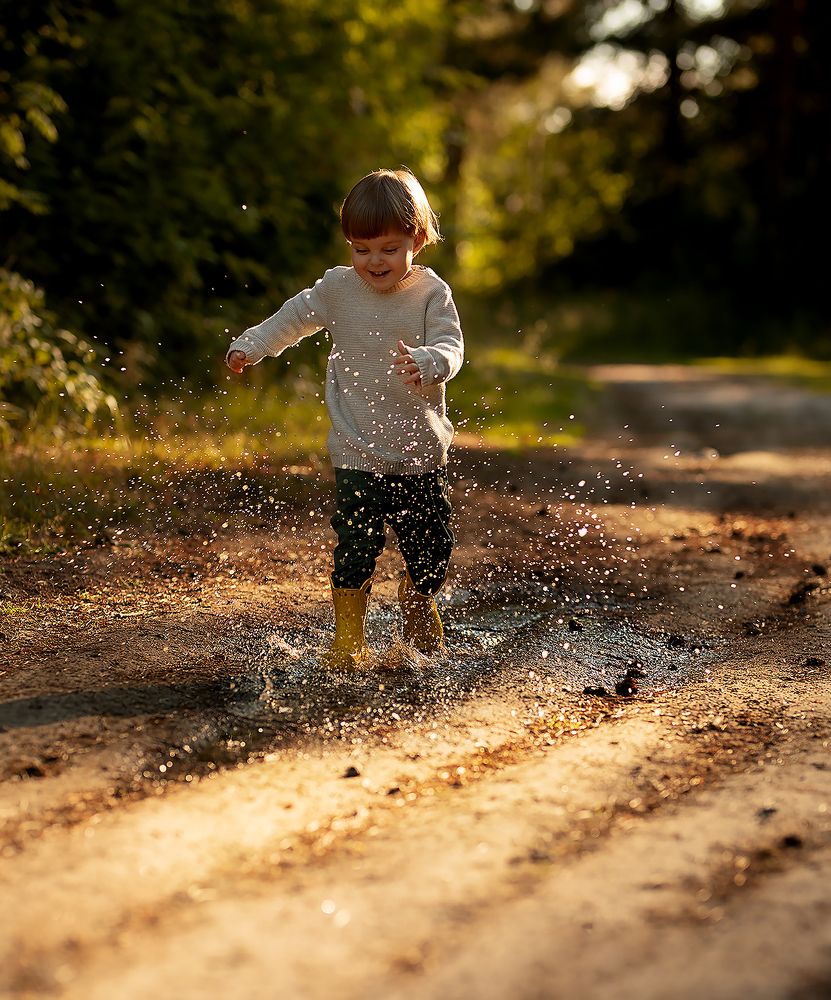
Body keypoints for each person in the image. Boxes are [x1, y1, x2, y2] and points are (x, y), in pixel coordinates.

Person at [225, 168, 464, 666]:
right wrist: (251, 344)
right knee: (354, 543)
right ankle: (348, 637)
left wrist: (431, 361)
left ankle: (419, 602)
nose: (374, 261)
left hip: (419, 451)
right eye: (361, 249)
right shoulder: (338, 290)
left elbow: (451, 346)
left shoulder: (431, 294)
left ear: (416, 241)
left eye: (388, 249)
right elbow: (292, 319)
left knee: (431, 549)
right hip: (357, 447)